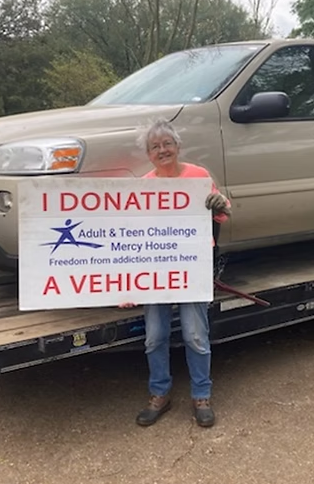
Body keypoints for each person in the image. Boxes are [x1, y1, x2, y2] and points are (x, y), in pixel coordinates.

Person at [123, 119, 231, 428]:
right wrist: (127, 285)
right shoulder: (144, 186)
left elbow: (223, 211)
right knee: (154, 337)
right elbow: (130, 237)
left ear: (178, 146)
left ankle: (201, 395)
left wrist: (219, 203)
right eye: (155, 146)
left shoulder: (198, 176)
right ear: (148, 154)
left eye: (167, 143)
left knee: (195, 335)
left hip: (191, 267)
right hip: (156, 271)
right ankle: (160, 393)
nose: (162, 150)